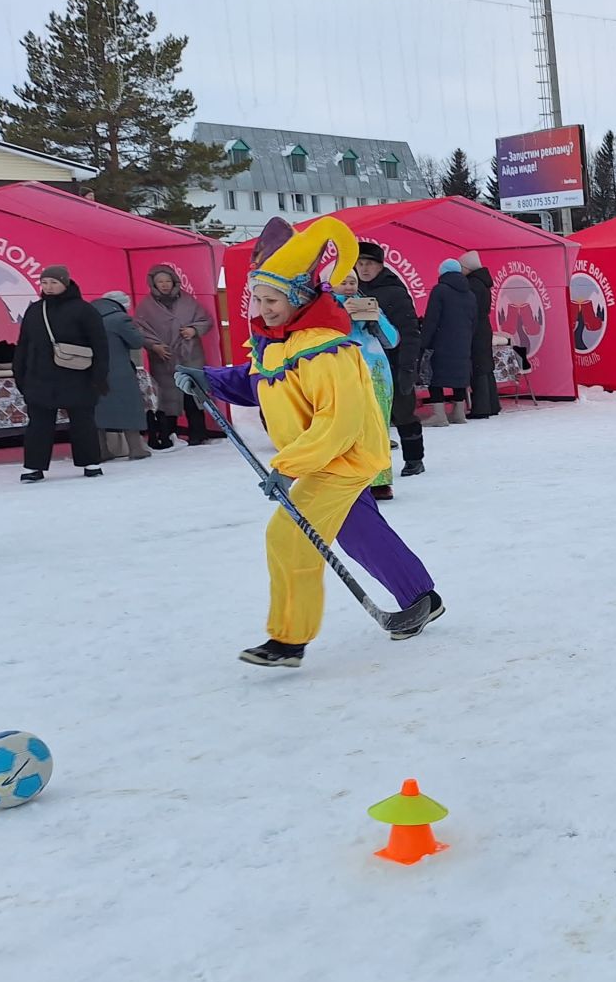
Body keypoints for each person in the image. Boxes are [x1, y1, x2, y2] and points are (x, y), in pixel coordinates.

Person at [178, 216, 440, 668]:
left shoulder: (325, 348)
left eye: (273, 299)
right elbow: (258, 381)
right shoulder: (280, 342)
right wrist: (210, 379)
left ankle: (289, 641)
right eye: (258, 298)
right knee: (358, 532)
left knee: (288, 535)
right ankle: (421, 597)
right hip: (318, 459)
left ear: (297, 297)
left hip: (343, 458)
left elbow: (338, 423)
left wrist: (289, 464)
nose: (264, 308)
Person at [13, 265, 108, 483]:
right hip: (40, 376)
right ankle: (34, 466)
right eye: (44, 282)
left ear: (65, 283)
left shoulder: (84, 310)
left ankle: (90, 462)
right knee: (38, 423)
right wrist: (21, 374)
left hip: (78, 375)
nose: (48, 287)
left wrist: (99, 376)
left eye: (54, 282)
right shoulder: (35, 310)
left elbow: (100, 345)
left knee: (82, 420)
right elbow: (23, 345)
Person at [356, 241, 425, 477]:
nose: (364, 269)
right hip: (366, 363)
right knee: (371, 416)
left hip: (394, 362)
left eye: (369, 264)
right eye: (360, 264)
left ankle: (414, 458)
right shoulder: (353, 290)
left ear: (380, 265)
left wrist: (408, 368)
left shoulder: (394, 291)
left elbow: (410, 332)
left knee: (404, 412)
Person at [332, 270, 398, 500]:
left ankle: (380, 481)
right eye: (343, 281)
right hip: (343, 372)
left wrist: (376, 319)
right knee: (349, 427)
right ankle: (351, 480)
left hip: (377, 372)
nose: (349, 286)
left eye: (353, 282)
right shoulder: (324, 307)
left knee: (378, 428)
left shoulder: (369, 305)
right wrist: (343, 315)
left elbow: (392, 340)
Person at [134, 265, 214, 448]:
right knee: (166, 398)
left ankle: (198, 434)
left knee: (193, 395)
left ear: (174, 282)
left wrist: (193, 330)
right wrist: (154, 346)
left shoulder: (188, 301)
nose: (164, 285)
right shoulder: (146, 306)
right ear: (153, 284)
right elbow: (139, 330)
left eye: (167, 281)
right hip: (164, 358)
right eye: (160, 282)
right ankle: (169, 434)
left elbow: (206, 320)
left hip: (190, 355)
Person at [92, 289, 151, 462]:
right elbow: (136, 342)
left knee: (98, 410)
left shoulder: (87, 317)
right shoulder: (120, 319)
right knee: (128, 407)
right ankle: (135, 449)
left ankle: (102, 450)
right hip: (119, 371)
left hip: (93, 371)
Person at [421, 258, 475, 427]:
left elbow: (432, 319)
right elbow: (474, 321)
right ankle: (459, 413)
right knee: (459, 376)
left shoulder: (440, 290)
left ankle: (439, 415)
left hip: (441, 342)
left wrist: (423, 342)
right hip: (463, 341)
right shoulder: (470, 293)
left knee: (434, 377)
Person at [461, 251, 501, 419]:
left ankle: (481, 407)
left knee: (478, 367)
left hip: (476, 329)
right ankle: (492, 404)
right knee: (485, 367)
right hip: (484, 328)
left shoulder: (472, 285)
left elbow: (470, 309)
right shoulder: (483, 283)